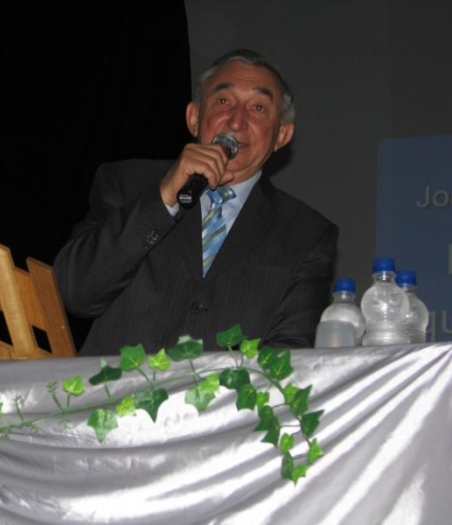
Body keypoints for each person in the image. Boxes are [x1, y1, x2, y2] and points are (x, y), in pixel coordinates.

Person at [53, 48, 339, 355]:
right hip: (117, 386)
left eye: (258, 107)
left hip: (230, 388)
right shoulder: (128, 182)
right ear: (194, 118)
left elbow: (290, 354)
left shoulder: (307, 233)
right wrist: (163, 198)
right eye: (223, 101)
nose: (237, 122)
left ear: (281, 135)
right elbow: (74, 292)